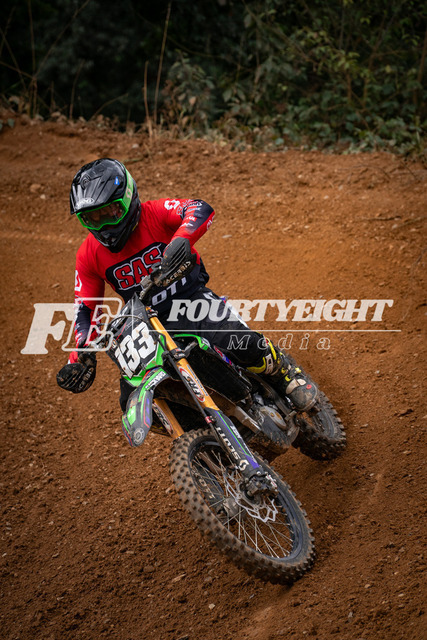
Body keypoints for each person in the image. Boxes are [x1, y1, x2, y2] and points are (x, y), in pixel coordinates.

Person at [57, 158, 317, 413]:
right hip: (148, 323)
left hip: (190, 299)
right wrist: (80, 355)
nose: (104, 225)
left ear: (127, 198)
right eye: (92, 218)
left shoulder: (154, 213)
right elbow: (86, 309)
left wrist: (181, 239)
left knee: (234, 339)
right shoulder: (88, 255)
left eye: (110, 212)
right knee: (131, 399)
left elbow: (199, 208)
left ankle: (284, 373)